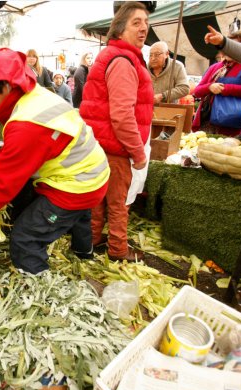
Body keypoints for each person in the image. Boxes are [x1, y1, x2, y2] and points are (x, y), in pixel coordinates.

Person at [0, 48, 110, 274]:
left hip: (75, 185)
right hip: (94, 171)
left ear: (8, 86)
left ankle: (41, 287)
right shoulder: (36, 97)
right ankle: (84, 254)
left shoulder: (25, 125)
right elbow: (18, 154)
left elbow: (1, 189)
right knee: (81, 215)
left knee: (25, 239)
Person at [79, 2, 153, 262]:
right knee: (118, 204)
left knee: (97, 199)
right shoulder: (123, 60)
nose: (143, 27)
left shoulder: (113, 55)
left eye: (145, 21)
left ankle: (89, 243)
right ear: (120, 29)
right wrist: (137, 152)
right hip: (115, 147)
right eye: (136, 22)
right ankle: (118, 251)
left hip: (99, 144)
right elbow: (122, 115)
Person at [192, 30, 241, 136]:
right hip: (207, 121)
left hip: (230, 123)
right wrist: (210, 87)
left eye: (233, 46)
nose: (228, 50)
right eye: (227, 46)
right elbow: (197, 91)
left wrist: (224, 88)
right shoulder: (215, 67)